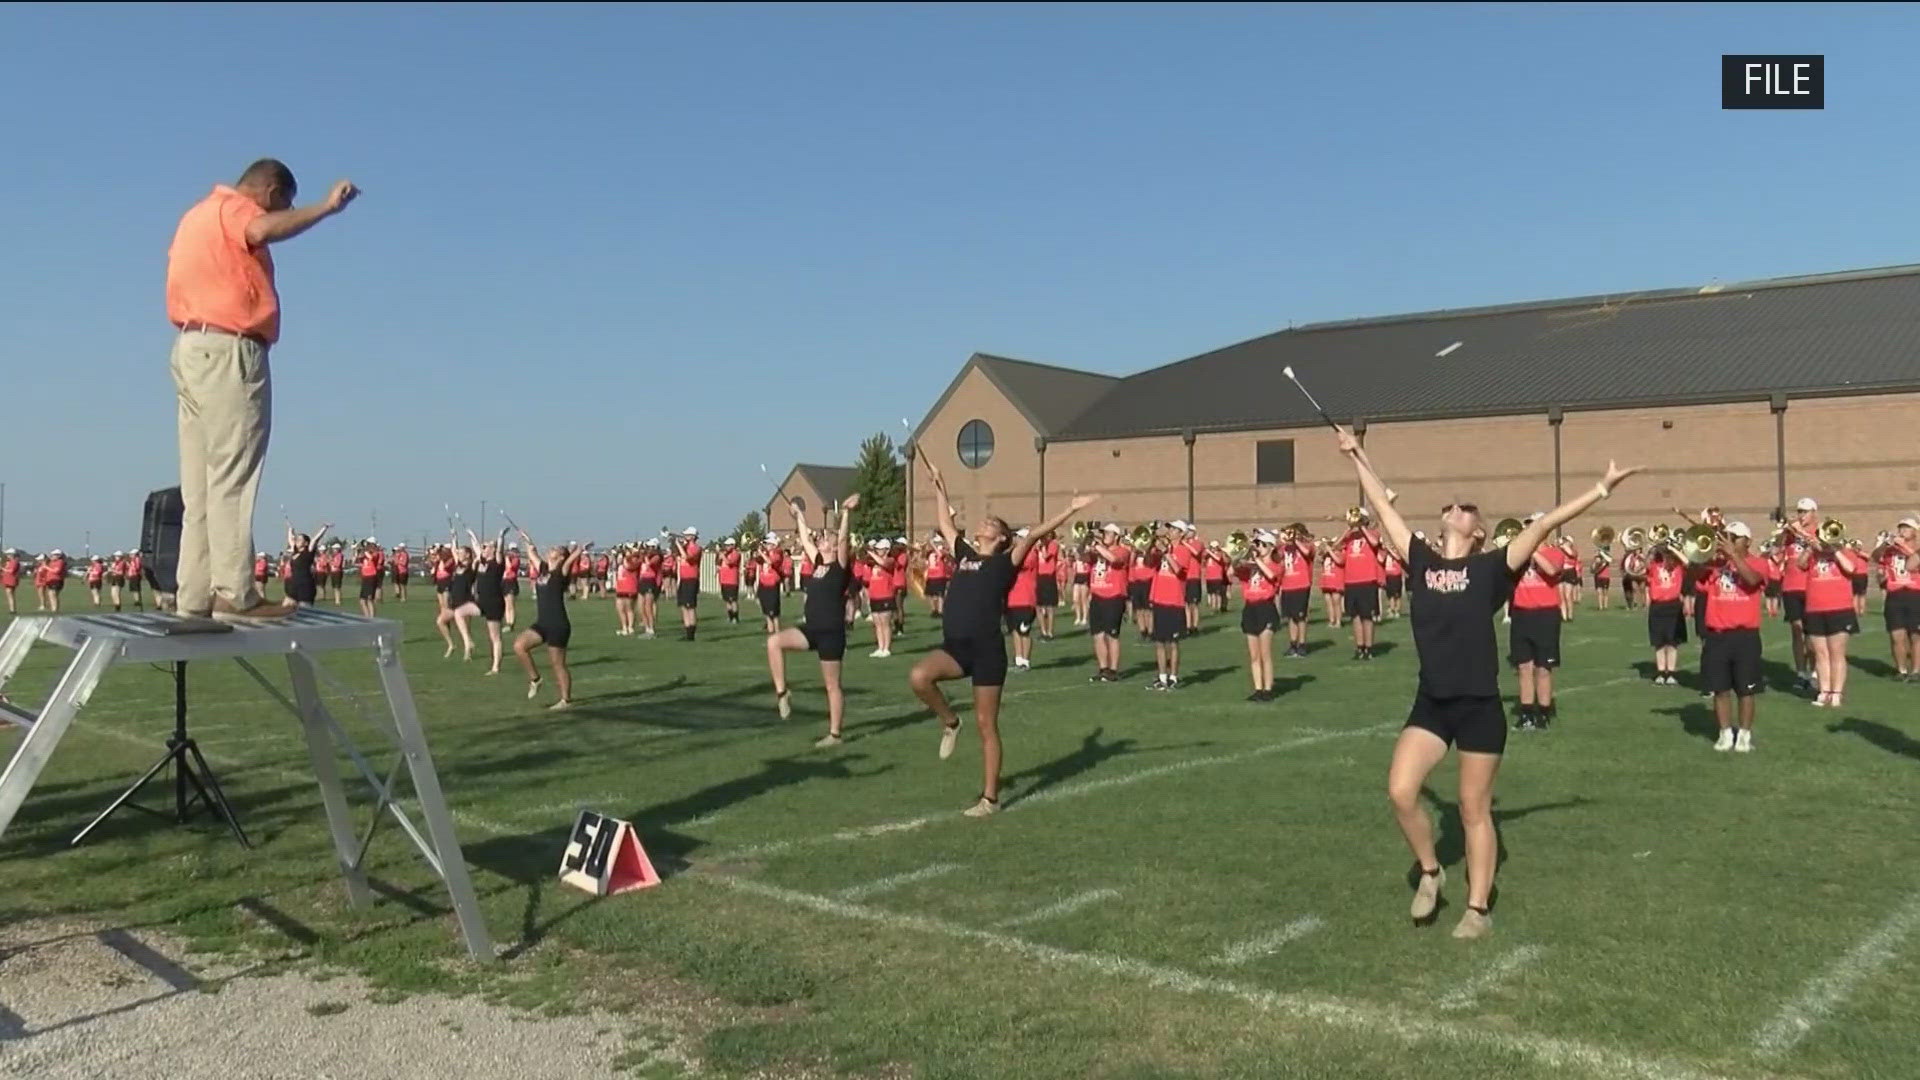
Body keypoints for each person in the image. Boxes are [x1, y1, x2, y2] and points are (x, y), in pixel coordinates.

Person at [1339, 424, 1639, 939]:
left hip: (1479, 705)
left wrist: (1603, 488)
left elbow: (1545, 525)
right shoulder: (1422, 561)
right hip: (1432, 702)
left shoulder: (1492, 568)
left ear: (1479, 530)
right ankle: (1430, 872)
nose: (1459, 508)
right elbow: (1383, 507)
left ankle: (1478, 908)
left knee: (1474, 808)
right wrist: (1357, 454)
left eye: (1468, 508)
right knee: (1401, 791)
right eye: (1454, 506)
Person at [165, 159, 356, 621]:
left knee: (201, 486)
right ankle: (234, 592)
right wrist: (325, 208)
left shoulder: (196, 215)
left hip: (191, 346)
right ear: (270, 190)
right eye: (283, 201)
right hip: (230, 349)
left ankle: (194, 595)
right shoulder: (234, 210)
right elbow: (262, 229)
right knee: (233, 476)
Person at [909, 456, 1095, 817]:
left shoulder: (1006, 560)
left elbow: (1037, 532)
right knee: (919, 677)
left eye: (992, 523)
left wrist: (1069, 509)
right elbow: (946, 522)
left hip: (986, 652)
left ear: (1001, 537)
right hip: (955, 648)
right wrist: (939, 482)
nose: (984, 523)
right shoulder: (962, 552)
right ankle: (949, 721)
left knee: (986, 725)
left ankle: (990, 799)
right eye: (985, 521)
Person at [767, 495, 860, 745]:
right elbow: (806, 538)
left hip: (831, 632)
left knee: (832, 685)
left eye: (826, 537)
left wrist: (847, 514)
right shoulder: (817, 562)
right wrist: (798, 515)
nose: (822, 538)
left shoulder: (840, 566)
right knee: (774, 642)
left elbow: (842, 540)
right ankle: (782, 693)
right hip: (811, 629)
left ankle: (835, 734)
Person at [1700, 523, 1768, 752]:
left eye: (1736, 538)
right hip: (1717, 635)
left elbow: (1752, 580)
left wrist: (1733, 557)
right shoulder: (1715, 566)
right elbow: (1693, 577)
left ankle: (1745, 735)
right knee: (1720, 688)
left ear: (1747, 541)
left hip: (1745, 635)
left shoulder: (1759, 562)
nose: (1730, 540)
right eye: (1728, 536)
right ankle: (1725, 732)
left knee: (1746, 689)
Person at [512, 527, 579, 710]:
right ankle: (536, 679)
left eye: (556, 549)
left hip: (558, 624)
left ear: (561, 557)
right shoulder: (542, 569)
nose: (551, 549)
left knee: (558, 665)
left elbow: (571, 559)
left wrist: (578, 550)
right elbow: (531, 552)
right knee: (519, 646)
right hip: (542, 623)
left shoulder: (561, 572)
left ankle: (565, 700)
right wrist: (526, 539)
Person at [1508, 535, 1568, 730]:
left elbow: (1551, 570)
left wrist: (1532, 550)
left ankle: (1543, 713)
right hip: (1521, 614)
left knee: (1543, 668)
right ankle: (1526, 714)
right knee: (1524, 667)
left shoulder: (1554, 553)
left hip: (1546, 615)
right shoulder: (1519, 556)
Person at [1800, 529, 1862, 709]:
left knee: (1837, 653)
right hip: (1814, 608)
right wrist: (1810, 548)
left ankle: (1836, 692)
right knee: (1820, 653)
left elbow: (1851, 569)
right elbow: (1800, 564)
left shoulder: (1846, 552)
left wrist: (1834, 550)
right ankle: (1824, 690)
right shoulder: (1814, 554)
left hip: (1840, 608)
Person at [1236, 530, 1283, 700]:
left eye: (1262, 545)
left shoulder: (1276, 565)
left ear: (1270, 548)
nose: (1258, 548)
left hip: (1266, 608)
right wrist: (1242, 554)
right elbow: (1231, 570)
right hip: (1250, 608)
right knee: (1254, 655)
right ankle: (1258, 689)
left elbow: (1271, 575)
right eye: (1257, 544)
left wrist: (1256, 560)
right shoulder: (1250, 568)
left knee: (1265, 653)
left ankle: (1268, 689)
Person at [1145, 525, 1192, 689]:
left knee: (1173, 642)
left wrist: (1167, 553)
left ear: (1181, 533)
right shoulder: (1164, 549)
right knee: (1159, 641)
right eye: (1169, 529)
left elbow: (1178, 570)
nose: (1169, 532)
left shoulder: (1184, 550)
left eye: (1173, 530)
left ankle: (1173, 677)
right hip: (1159, 598)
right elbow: (1148, 563)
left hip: (1174, 600)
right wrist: (1152, 545)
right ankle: (1162, 677)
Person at [1780, 497, 1820, 691]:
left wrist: (1801, 532)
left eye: (1805, 511)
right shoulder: (1790, 533)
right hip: (1790, 586)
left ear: (1814, 513)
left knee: (1812, 634)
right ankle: (1800, 673)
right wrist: (1785, 532)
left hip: (1810, 586)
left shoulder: (1818, 532)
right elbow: (1777, 546)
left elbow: (1820, 547)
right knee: (1796, 631)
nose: (1801, 515)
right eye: (1799, 511)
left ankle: (1815, 671)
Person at [1085, 523, 1131, 682]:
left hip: (1114, 596)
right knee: (1097, 635)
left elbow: (1115, 560)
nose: (1104, 536)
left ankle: (1113, 669)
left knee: (1112, 635)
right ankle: (1103, 668)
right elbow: (1082, 557)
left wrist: (1097, 546)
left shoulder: (1123, 551)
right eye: (1103, 533)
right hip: (1097, 596)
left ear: (1116, 536)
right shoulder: (1097, 551)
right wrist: (1086, 543)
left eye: (1108, 533)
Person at [1334, 512, 1384, 659]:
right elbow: (1336, 546)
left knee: (1367, 616)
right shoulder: (1349, 537)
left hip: (1367, 580)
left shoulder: (1373, 533)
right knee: (1354, 616)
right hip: (1350, 581)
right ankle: (1359, 647)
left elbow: (1375, 543)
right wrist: (1349, 529)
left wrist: (1362, 528)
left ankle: (1368, 648)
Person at [1879, 519, 1920, 681]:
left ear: (1915, 532)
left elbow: (1914, 563)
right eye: (1901, 527)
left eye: (1907, 528)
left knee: (1915, 635)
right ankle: (1901, 670)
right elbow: (1875, 558)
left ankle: (1916, 671)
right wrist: (1883, 544)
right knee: (1896, 635)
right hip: (1894, 594)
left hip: (1915, 593)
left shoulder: (1917, 548)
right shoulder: (1890, 550)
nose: (1902, 531)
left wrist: (1902, 546)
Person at [1644, 544, 1688, 684]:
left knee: (1672, 642)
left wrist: (1674, 549)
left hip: (1673, 605)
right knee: (1659, 642)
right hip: (1657, 606)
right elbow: (1642, 565)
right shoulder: (1654, 566)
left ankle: (1671, 673)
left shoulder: (1678, 567)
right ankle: (1661, 672)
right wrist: (1653, 548)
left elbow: (1687, 562)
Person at [436, 542, 480, 661]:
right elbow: (454, 551)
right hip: (454, 603)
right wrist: (454, 537)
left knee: (465, 629)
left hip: (465, 602)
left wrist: (472, 538)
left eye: (462, 553)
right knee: (440, 621)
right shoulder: (458, 566)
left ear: (467, 555)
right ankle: (451, 645)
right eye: (458, 553)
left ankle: (467, 650)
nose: (459, 554)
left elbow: (478, 557)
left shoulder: (471, 567)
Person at [1005, 532, 1040, 672]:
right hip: (1012, 598)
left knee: (1024, 631)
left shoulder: (1031, 553)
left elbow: (1019, 564)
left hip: (1026, 598)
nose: (1016, 539)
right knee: (1014, 630)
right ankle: (1018, 659)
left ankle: (1026, 660)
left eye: (1020, 537)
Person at [1278, 528, 1315, 658]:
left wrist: (1296, 541)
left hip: (1301, 585)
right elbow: (1276, 557)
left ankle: (1302, 644)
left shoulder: (1306, 546)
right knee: (1291, 617)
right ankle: (1293, 644)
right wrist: (1282, 542)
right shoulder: (1284, 548)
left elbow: (1307, 552)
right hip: (1287, 586)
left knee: (1301, 617)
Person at [284, 523, 329, 606]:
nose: (297, 540)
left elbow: (315, 540)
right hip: (294, 586)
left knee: (305, 612)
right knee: (285, 609)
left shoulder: (308, 553)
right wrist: (290, 530)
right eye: (297, 539)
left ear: (306, 543)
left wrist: (324, 528)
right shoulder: (295, 552)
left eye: (300, 539)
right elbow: (291, 540)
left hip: (306, 586)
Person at [867, 539, 897, 659]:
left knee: (885, 623)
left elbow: (884, 564)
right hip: (874, 596)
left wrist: (871, 553)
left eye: (880, 549)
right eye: (877, 549)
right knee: (877, 623)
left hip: (886, 595)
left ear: (887, 550)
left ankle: (886, 648)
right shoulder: (873, 562)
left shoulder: (890, 560)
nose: (878, 551)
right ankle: (880, 647)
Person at [673, 528, 703, 640]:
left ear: (693, 536)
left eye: (687, 535)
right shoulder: (686, 547)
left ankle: (691, 633)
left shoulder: (696, 548)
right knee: (683, 606)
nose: (685, 537)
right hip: (684, 579)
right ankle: (687, 631)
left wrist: (679, 545)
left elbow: (687, 558)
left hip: (691, 578)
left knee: (690, 607)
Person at [754, 534, 788, 632]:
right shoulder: (766, 552)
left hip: (772, 585)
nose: (766, 545)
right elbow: (758, 560)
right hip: (763, 584)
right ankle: (770, 633)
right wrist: (757, 551)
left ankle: (777, 633)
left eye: (768, 543)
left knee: (774, 613)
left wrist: (761, 552)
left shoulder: (778, 553)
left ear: (773, 544)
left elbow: (770, 562)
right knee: (766, 613)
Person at [1034, 532, 1062, 640]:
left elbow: (1046, 556)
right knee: (1039, 606)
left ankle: (1050, 632)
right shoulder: (1038, 546)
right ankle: (1043, 631)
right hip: (1039, 576)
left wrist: (1042, 547)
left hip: (1049, 576)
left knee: (1050, 606)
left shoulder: (1053, 545)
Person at [613, 545, 641, 636]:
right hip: (620, 588)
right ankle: (624, 627)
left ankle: (630, 627)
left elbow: (629, 566)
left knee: (629, 608)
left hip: (630, 587)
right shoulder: (621, 563)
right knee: (620, 608)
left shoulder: (634, 562)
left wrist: (629, 553)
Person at [924, 535, 950, 620]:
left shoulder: (942, 552)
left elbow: (941, 554)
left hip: (939, 575)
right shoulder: (930, 554)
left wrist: (932, 543)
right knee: (931, 595)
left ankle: (940, 611)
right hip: (931, 576)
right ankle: (933, 610)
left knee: (940, 595)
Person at [357, 539, 384, 618]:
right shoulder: (365, 552)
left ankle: (372, 618)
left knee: (369, 599)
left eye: (369, 544)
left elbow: (371, 557)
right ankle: (367, 617)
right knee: (362, 600)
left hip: (371, 576)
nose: (368, 545)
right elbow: (359, 557)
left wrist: (365, 549)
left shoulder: (376, 553)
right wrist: (358, 549)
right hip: (365, 577)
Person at [1, 549, 19, 614]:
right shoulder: (10, 562)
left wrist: (2, 568)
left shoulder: (14, 562)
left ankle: (13, 610)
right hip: (8, 580)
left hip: (11, 580)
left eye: (8, 554)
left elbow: (11, 571)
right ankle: (12, 609)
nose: (7, 556)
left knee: (10, 594)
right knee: (9, 595)